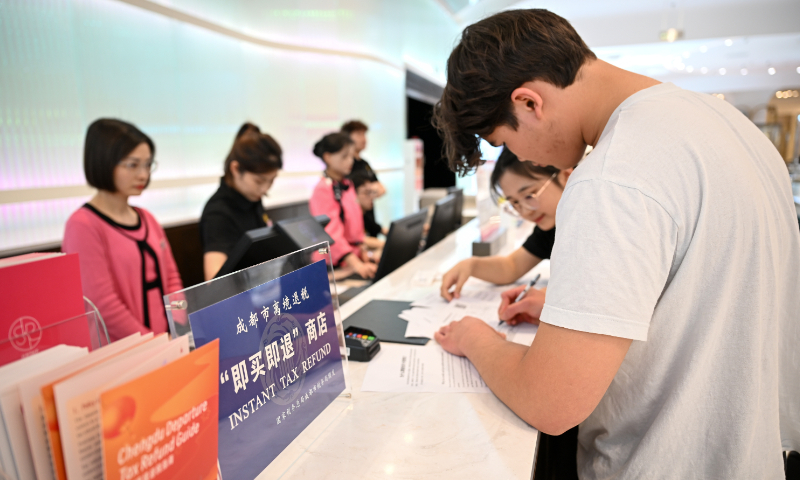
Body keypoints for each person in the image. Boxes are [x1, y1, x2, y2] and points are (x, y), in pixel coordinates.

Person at [431, 9, 800, 480]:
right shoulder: (725, 124)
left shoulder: (611, 176)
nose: (519, 157)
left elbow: (551, 401)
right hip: (751, 454)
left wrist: (475, 339)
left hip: (664, 460)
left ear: (528, 103)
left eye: (504, 140)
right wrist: (577, 311)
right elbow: (706, 292)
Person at [63, 118, 184, 342]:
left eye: (148, 165)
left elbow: (172, 280)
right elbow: (102, 306)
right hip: (125, 354)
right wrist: (154, 344)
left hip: (167, 344)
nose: (143, 175)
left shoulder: (147, 219)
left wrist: (178, 323)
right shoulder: (82, 226)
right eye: (133, 165)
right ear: (104, 162)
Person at [440, 147, 571, 328]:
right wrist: (471, 265)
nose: (525, 211)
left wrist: (548, 297)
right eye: (515, 203)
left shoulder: (594, 224)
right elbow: (512, 266)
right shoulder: (549, 229)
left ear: (566, 176)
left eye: (529, 195)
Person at [200, 123, 282, 280]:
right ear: (236, 169)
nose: (265, 189)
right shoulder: (218, 213)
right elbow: (214, 281)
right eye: (259, 181)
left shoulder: (251, 198)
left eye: (271, 181)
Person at [309, 132, 378, 279]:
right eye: (344, 156)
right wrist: (358, 265)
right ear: (328, 157)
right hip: (333, 264)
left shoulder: (347, 184)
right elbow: (331, 233)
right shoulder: (323, 189)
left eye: (351, 156)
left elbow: (355, 229)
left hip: (350, 261)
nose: (350, 161)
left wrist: (363, 254)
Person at [342, 120, 387, 236]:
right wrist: (370, 189)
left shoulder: (364, 163)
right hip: (355, 227)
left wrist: (365, 190)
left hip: (370, 222)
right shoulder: (345, 167)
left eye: (364, 134)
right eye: (359, 134)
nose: (364, 139)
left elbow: (382, 189)